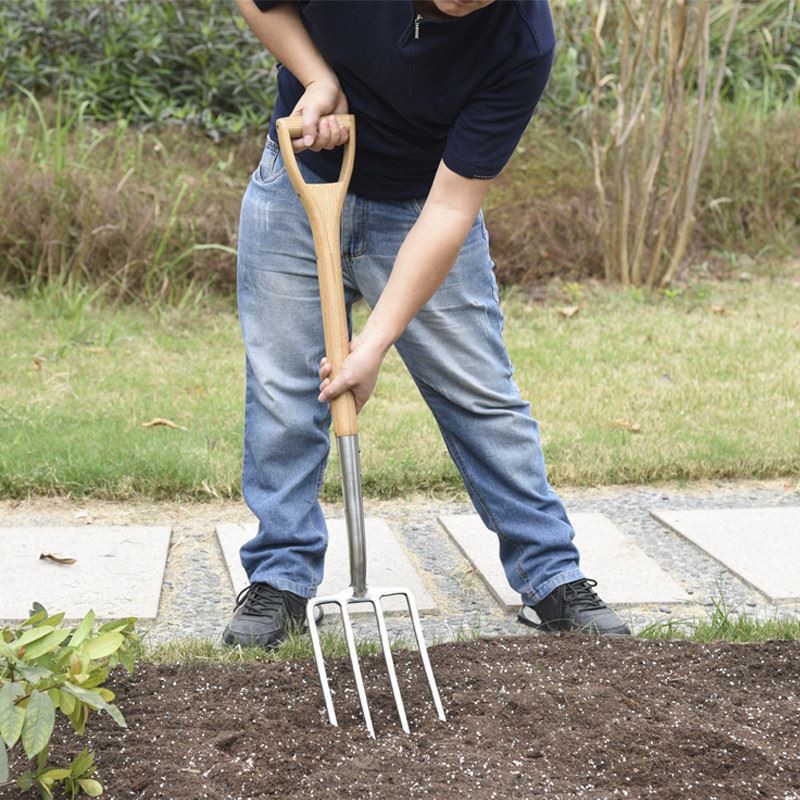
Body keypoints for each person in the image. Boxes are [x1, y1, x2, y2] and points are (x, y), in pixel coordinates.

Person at [225, 0, 631, 649]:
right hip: (298, 189)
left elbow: (451, 208)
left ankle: (551, 575)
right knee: (282, 396)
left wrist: (373, 346)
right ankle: (279, 581)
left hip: (420, 209)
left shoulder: (521, 37)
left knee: (480, 396)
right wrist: (316, 78)